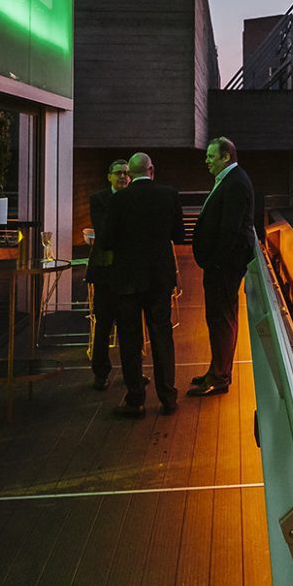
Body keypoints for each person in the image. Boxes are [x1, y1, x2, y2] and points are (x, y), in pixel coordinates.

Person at [97, 152, 183, 417]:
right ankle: (168, 397)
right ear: (152, 170)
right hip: (159, 278)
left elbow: (107, 241)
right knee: (162, 336)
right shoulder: (169, 195)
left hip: (127, 279)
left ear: (130, 174)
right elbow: (178, 235)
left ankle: (136, 399)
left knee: (130, 339)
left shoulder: (119, 199)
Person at [188, 136, 254, 398]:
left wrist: (215, 262)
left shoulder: (235, 183)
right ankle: (216, 370)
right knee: (218, 319)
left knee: (222, 319)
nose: (206, 161)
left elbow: (230, 229)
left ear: (226, 157)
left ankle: (220, 376)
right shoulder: (232, 180)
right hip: (222, 266)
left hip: (223, 267)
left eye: (211, 156)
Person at [86, 159, 130, 391]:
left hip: (128, 271)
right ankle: (100, 372)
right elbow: (104, 234)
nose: (123, 177)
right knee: (104, 324)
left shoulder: (134, 198)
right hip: (105, 272)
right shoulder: (99, 199)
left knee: (129, 325)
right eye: (119, 173)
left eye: (126, 173)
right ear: (109, 176)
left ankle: (131, 372)